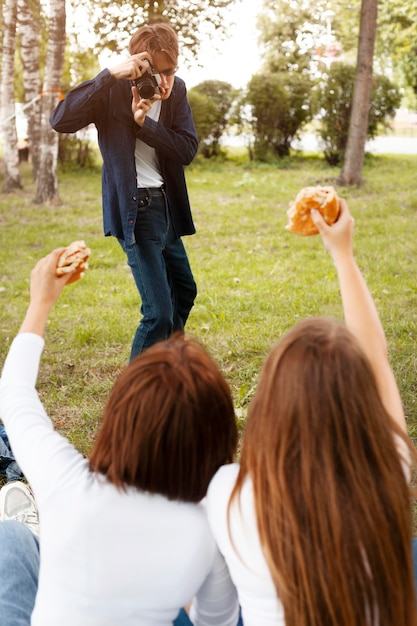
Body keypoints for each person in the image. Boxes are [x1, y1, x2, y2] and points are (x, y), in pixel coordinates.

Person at [0, 248, 240, 626]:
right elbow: (216, 621)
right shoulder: (208, 530)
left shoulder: (68, 483)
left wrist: (40, 303)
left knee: (11, 539)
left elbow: (14, 394)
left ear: (118, 417)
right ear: (216, 441)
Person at [206, 199, 417, 626]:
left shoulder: (229, 493)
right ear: (361, 405)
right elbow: (376, 358)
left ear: (269, 406)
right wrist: (343, 255)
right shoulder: (390, 469)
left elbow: (215, 615)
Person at [50, 22, 198, 361]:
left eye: (171, 71)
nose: (163, 81)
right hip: (136, 210)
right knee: (158, 312)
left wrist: (145, 126)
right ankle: (134, 397)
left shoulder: (177, 91)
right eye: (155, 71)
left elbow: (187, 150)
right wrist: (108, 74)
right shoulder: (112, 90)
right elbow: (60, 120)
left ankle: (167, 369)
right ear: (136, 63)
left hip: (167, 209)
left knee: (185, 291)